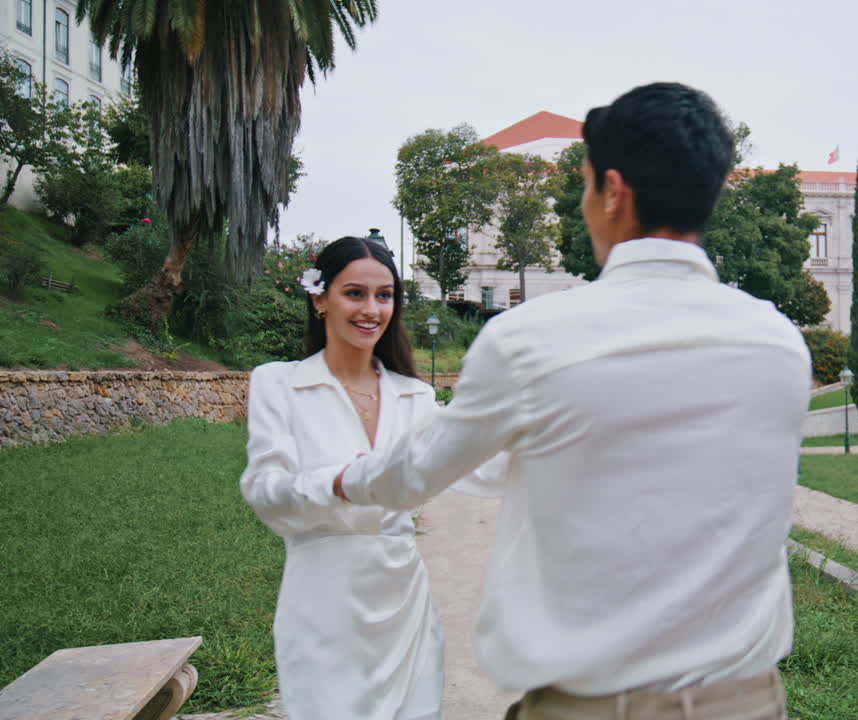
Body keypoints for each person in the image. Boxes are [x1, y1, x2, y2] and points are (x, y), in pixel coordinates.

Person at [337, 82, 811, 719]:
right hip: (749, 702)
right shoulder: (780, 345)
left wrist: (346, 480)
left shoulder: (530, 340)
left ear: (613, 191)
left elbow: (416, 473)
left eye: (585, 184)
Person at [240, 236, 500, 720]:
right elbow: (265, 493)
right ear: (320, 299)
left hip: (404, 601)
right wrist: (342, 483)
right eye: (354, 293)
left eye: (385, 296)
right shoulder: (279, 384)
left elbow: (471, 465)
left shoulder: (414, 396)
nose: (372, 309)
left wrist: (544, 439)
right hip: (322, 598)